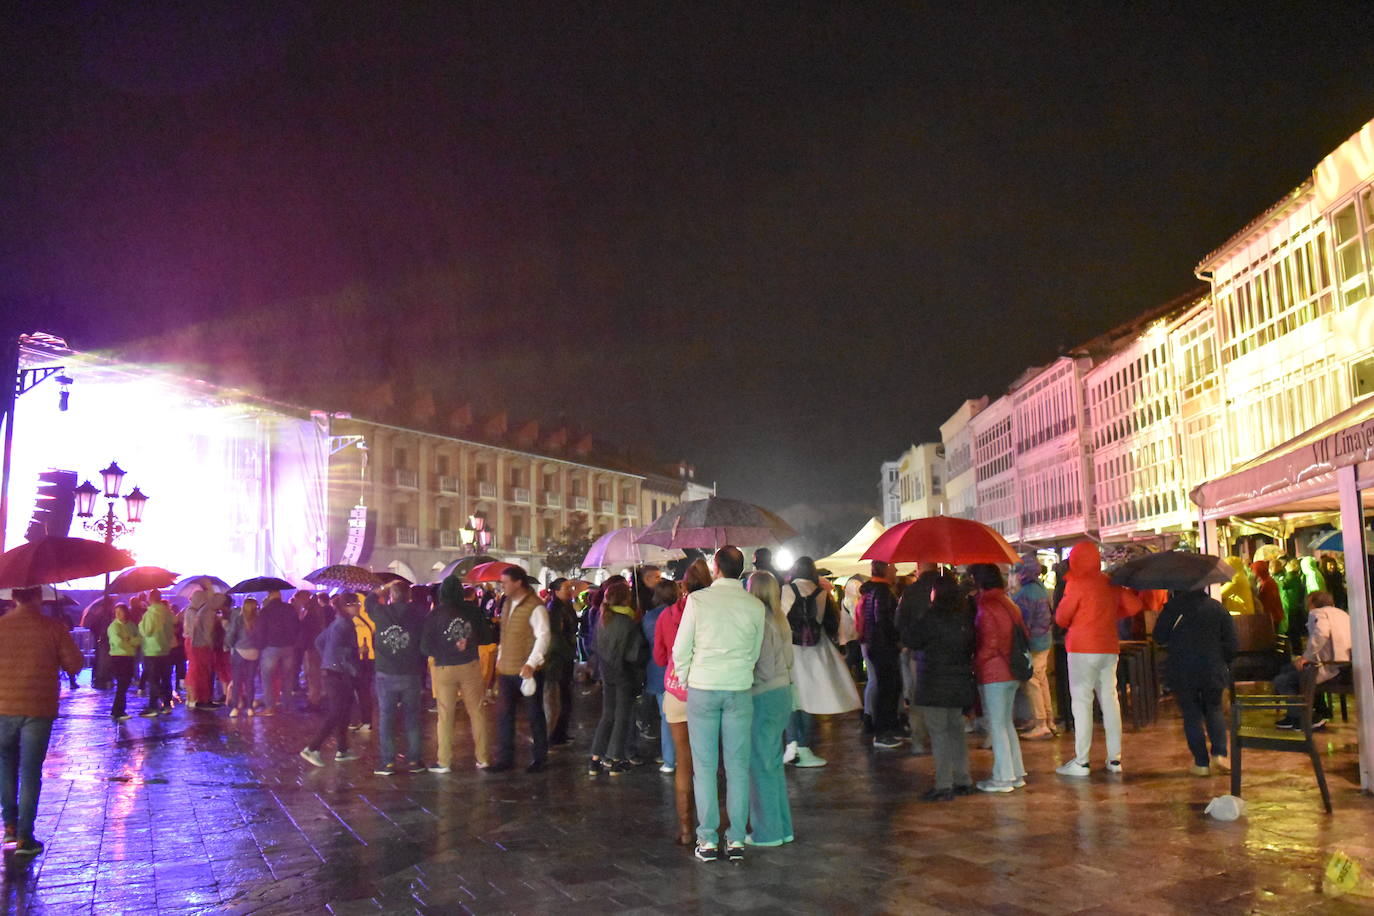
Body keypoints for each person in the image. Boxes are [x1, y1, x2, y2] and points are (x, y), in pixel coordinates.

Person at [672, 546, 765, 863]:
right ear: (741, 569)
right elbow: (754, 651)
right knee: (738, 768)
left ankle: (708, 839)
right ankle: (736, 838)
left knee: (705, 767)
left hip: (703, 687)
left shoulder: (697, 601)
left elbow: (681, 648)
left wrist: (685, 678)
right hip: (738, 687)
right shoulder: (754, 605)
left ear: (716, 568)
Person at [0, 586, 84, 858]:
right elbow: (74, 666)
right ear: (39, 597)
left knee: (5, 765)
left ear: (13, 597)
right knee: (30, 770)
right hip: (38, 708)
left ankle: (10, 825)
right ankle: (26, 836)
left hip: (3, 707)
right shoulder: (53, 627)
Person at [1054, 541, 1143, 777]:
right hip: (1108, 647)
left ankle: (1082, 762)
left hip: (1082, 648)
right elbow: (1134, 605)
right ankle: (1115, 760)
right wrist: (1112, 614)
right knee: (1110, 701)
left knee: (1082, 702)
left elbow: (1062, 617)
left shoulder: (1076, 583)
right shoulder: (1109, 582)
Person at [654, 558, 711, 846]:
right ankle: (711, 826)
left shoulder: (667, 616)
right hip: (706, 691)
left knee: (684, 763)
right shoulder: (712, 613)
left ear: (683, 585)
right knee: (710, 763)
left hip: (676, 691)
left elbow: (661, 658)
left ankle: (687, 829)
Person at [1153, 588, 1238, 775]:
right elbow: (1232, 644)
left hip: (1183, 669)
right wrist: (1223, 660)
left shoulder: (1173, 608)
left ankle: (1201, 763)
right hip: (1213, 669)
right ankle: (1220, 754)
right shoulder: (1218, 608)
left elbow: (1159, 637)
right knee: (1214, 709)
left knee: (1191, 714)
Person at [908, 574, 976, 800]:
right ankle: (963, 779)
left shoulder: (929, 617)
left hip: (934, 683)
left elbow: (912, 640)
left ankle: (944, 784)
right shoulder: (963, 618)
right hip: (959, 683)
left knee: (939, 734)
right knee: (956, 732)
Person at [783, 556, 855, 767]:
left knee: (791, 700)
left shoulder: (786, 590)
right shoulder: (822, 593)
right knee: (808, 701)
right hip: (814, 651)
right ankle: (804, 747)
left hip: (790, 651)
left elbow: (780, 618)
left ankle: (791, 745)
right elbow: (830, 623)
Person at [422, 575, 494, 773]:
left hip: (444, 668)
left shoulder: (435, 614)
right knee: (477, 712)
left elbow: (425, 646)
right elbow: (487, 636)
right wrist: (467, 642)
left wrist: (443, 650)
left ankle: (444, 761)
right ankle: (483, 758)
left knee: (445, 715)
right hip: (469, 666)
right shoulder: (472, 610)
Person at [745, 571, 794, 847]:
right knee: (772, 763)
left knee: (760, 764)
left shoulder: (759, 621)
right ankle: (782, 826)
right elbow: (787, 660)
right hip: (782, 691)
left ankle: (768, 832)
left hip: (763, 695)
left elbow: (761, 667)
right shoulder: (780, 618)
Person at [970, 564, 1027, 793]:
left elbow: (991, 642)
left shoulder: (987, 604)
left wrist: (976, 662)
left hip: (995, 671)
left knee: (997, 724)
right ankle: (1015, 773)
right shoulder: (1008, 602)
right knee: (1006, 723)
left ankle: (1003, 777)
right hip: (1012, 670)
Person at [490, 566, 550, 773]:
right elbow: (505, 635)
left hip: (527, 670)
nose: (502, 585)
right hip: (507, 668)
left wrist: (531, 663)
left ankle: (540, 757)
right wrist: (500, 658)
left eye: (505, 582)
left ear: (518, 582)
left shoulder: (535, 606)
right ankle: (505, 758)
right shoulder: (506, 603)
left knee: (534, 714)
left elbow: (543, 636)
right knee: (504, 715)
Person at [588, 580, 649, 776]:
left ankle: (595, 759)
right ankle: (614, 760)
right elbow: (634, 655)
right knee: (622, 717)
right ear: (626, 599)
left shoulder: (603, 618)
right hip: (624, 674)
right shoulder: (628, 622)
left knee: (607, 715)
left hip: (607, 673)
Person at [368, 581, 428, 775]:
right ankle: (414, 761)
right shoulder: (417, 612)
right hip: (411, 672)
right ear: (408, 597)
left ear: (391, 596)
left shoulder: (381, 612)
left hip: (386, 672)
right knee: (412, 718)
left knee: (387, 717)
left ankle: (387, 762)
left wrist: (382, 589)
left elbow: (369, 601)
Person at [1274, 591, 1351, 730]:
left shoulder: (1317, 613)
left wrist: (1306, 657)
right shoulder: (1343, 614)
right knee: (1288, 669)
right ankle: (1298, 715)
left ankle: (1305, 718)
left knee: (1282, 680)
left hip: (1328, 666)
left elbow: (1321, 633)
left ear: (1312, 604)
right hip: (1346, 666)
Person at [300, 596, 361, 767]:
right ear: (348, 606)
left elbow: (319, 641)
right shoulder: (345, 625)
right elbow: (345, 652)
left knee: (344, 709)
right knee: (337, 712)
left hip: (332, 672)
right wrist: (350, 667)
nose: (359, 607)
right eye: (357, 604)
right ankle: (313, 748)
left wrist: (327, 659)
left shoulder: (337, 622)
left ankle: (342, 749)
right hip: (339, 674)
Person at [896, 562, 942, 755]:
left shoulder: (910, 591)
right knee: (941, 697)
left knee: (918, 697)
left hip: (919, 652)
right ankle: (940, 738)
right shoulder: (947, 587)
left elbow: (900, 622)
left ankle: (918, 741)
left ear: (920, 568)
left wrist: (907, 643)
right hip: (945, 652)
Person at [858, 561, 904, 749]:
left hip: (874, 644)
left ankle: (886, 728)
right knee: (887, 688)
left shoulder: (870, 591)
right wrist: (896, 639)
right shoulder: (883, 592)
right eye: (893, 567)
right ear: (885, 570)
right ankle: (883, 732)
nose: (896, 570)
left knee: (885, 686)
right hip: (883, 646)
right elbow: (883, 620)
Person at [1011, 554, 1055, 739]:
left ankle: (1040, 722)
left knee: (1032, 681)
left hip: (1033, 644)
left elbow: (1022, 623)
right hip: (1045, 640)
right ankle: (1048, 718)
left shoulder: (1025, 594)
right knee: (1041, 679)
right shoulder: (1041, 589)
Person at [642, 579, 681, 773]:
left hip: (658, 672)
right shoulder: (682, 614)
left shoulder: (649, 617)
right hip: (680, 671)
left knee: (666, 716)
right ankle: (681, 756)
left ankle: (669, 759)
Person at [543, 578, 579, 746]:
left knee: (566, 697)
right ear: (556, 592)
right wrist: (567, 652)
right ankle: (554, 735)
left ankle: (560, 733)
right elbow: (555, 637)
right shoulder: (554, 609)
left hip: (565, 656)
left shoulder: (566, 606)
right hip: (558, 660)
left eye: (569, 587)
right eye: (566, 588)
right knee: (558, 698)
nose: (569, 590)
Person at [258, 590, 298, 716]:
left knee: (267, 677)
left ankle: (270, 707)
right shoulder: (289, 608)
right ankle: (287, 706)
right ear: (280, 596)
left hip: (271, 646)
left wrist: (261, 646)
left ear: (269, 596)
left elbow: (261, 629)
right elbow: (296, 625)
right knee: (288, 677)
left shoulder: (265, 611)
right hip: (288, 646)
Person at [139, 590, 177, 717]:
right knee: (166, 678)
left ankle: (153, 706)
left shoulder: (150, 614)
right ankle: (167, 704)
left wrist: (140, 624)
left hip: (152, 650)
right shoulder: (167, 612)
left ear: (150, 598)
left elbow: (146, 631)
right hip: (165, 650)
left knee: (154, 679)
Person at [223, 598, 263, 717]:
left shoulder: (239, 619)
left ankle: (235, 708)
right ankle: (250, 708)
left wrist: (230, 645)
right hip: (254, 653)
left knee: (237, 680)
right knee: (250, 681)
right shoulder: (259, 620)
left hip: (239, 652)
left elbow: (231, 635)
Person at [107, 603, 141, 721]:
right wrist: (131, 641)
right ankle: (118, 711)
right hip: (118, 657)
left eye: (120, 612)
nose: (118, 615)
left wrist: (128, 640)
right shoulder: (114, 627)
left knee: (125, 684)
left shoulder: (131, 625)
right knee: (122, 684)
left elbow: (139, 639)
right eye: (116, 612)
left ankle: (118, 710)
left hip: (129, 657)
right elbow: (118, 642)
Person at [350, 594, 376, 731]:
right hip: (369, 657)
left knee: (357, 690)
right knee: (365, 690)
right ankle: (366, 721)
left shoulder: (352, 619)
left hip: (358, 658)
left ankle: (359, 720)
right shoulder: (370, 617)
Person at [82, 597, 116, 690]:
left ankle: (98, 678)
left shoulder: (99, 612)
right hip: (104, 639)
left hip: (100, 639)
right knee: (102, 660)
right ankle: (102, 679)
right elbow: (102, 627)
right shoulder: (105, 614)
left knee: (99, 659)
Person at [1249, 560, 1284, 632]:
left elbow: (1267, 602)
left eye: (1253, 570)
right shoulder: (1266, 580)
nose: (1252, 573)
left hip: (1272, 616)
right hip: (1274, 615)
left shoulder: (1266, 583)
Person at [1277, 558, 1306, 638]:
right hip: (1295, 605)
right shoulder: (1296, 576)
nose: (1286, 565)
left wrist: (1278, 577)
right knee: (1295, 631)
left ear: (1292, 566)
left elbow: (1282, 585)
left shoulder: (1291, 576)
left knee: (1292, 630)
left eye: (1288, 563)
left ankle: (1295, 649)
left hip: (1290, 606)